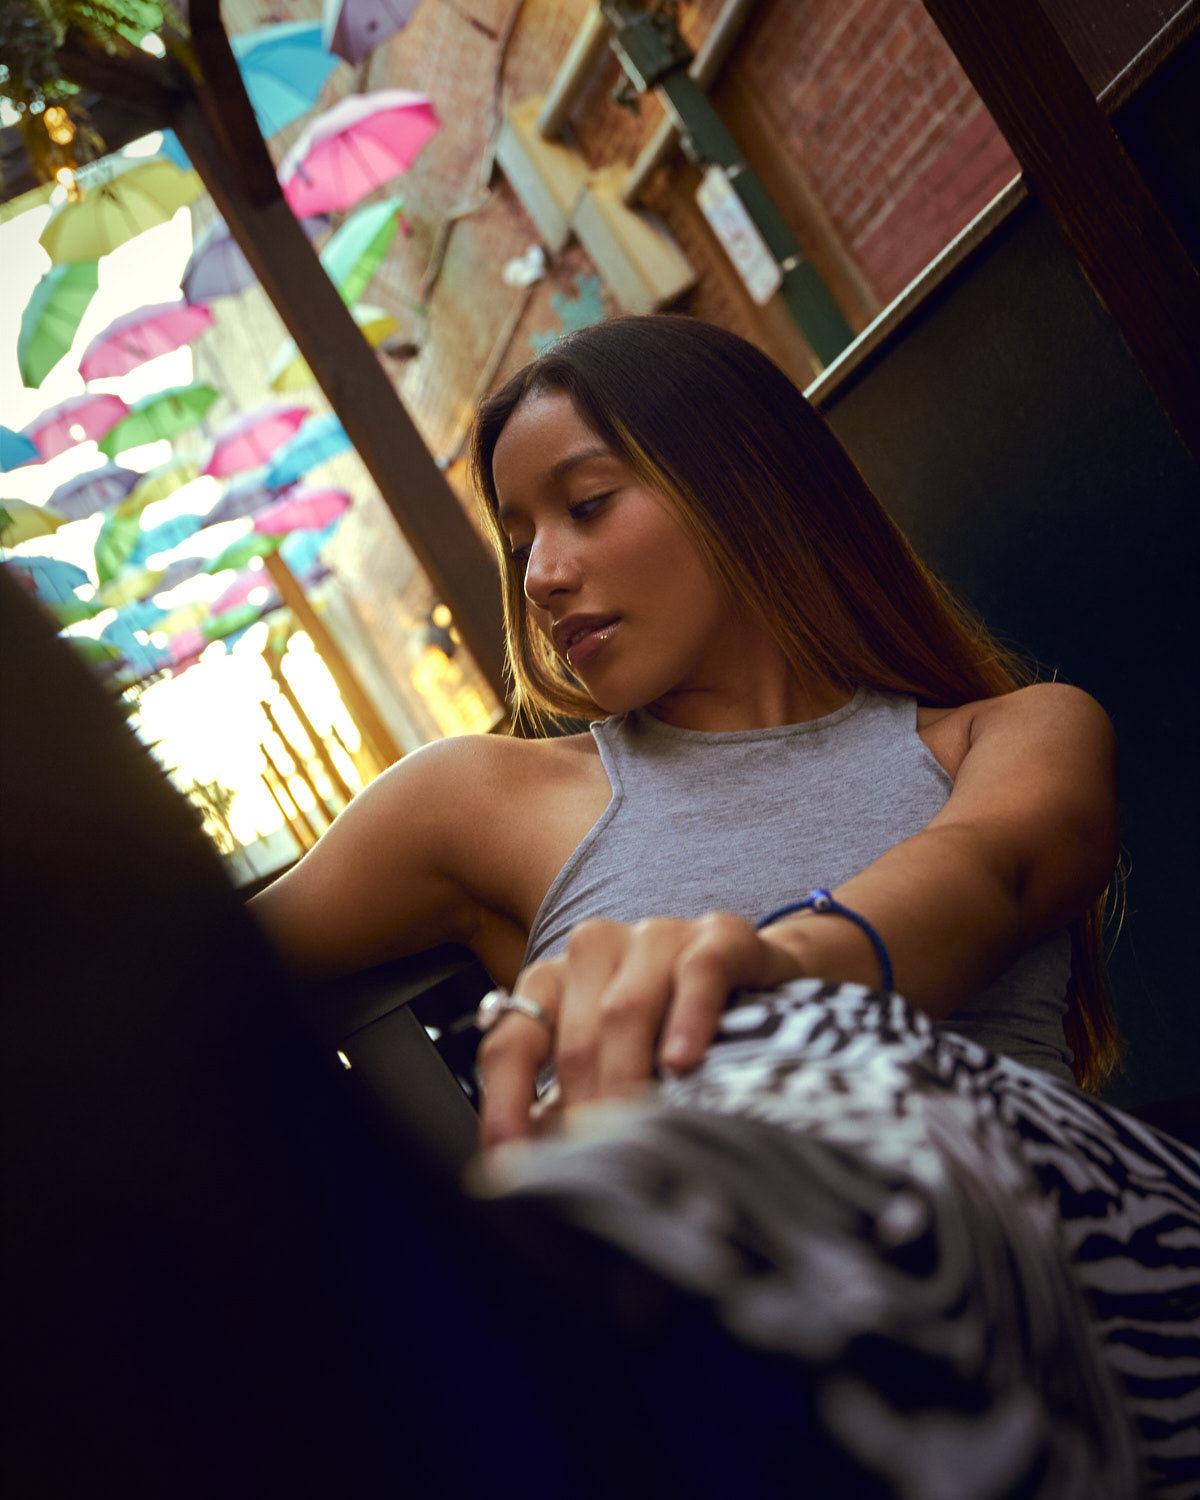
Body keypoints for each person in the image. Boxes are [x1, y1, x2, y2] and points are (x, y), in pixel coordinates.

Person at [253, 315, 1199, 1496]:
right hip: (708, 1363)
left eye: (587, 504)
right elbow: (159, 982)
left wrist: (764, 976)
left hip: (1052, 1294)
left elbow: (991, 869)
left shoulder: (1011, 735)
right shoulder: (481, 801)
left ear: (744, 485)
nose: (541, 575)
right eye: (521, 541)